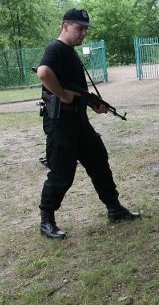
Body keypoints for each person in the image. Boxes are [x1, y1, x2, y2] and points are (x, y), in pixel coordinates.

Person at [35, 8, 140, 239]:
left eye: (85, 29)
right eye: (79, 28)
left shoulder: (70, 52)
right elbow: (43, 73)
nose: (83, 33)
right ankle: (47, 221)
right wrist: (62, 94)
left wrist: (93, 104)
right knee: (62, 174)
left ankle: (114, 208)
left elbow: (77, 89)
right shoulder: (55, 49)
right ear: (65, 26)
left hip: (78, 121)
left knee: (98, 161)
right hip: (61, 124)